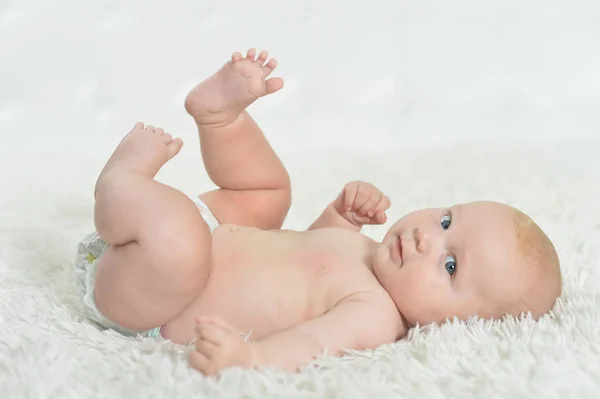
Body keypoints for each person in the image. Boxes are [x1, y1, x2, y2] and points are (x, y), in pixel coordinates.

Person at [74, 48, 562, 376]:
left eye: (450, 264)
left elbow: (309, 342)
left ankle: (121, 184)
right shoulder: (370, 254)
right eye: (446, 221)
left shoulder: (373, 317)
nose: (425, 240)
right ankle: (220, 118)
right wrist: (341, 216)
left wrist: (250, 358)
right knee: (270, 194)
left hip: (151, 297)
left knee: (183, 244)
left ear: (456, 324)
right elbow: (303, 254)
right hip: (208, 235)